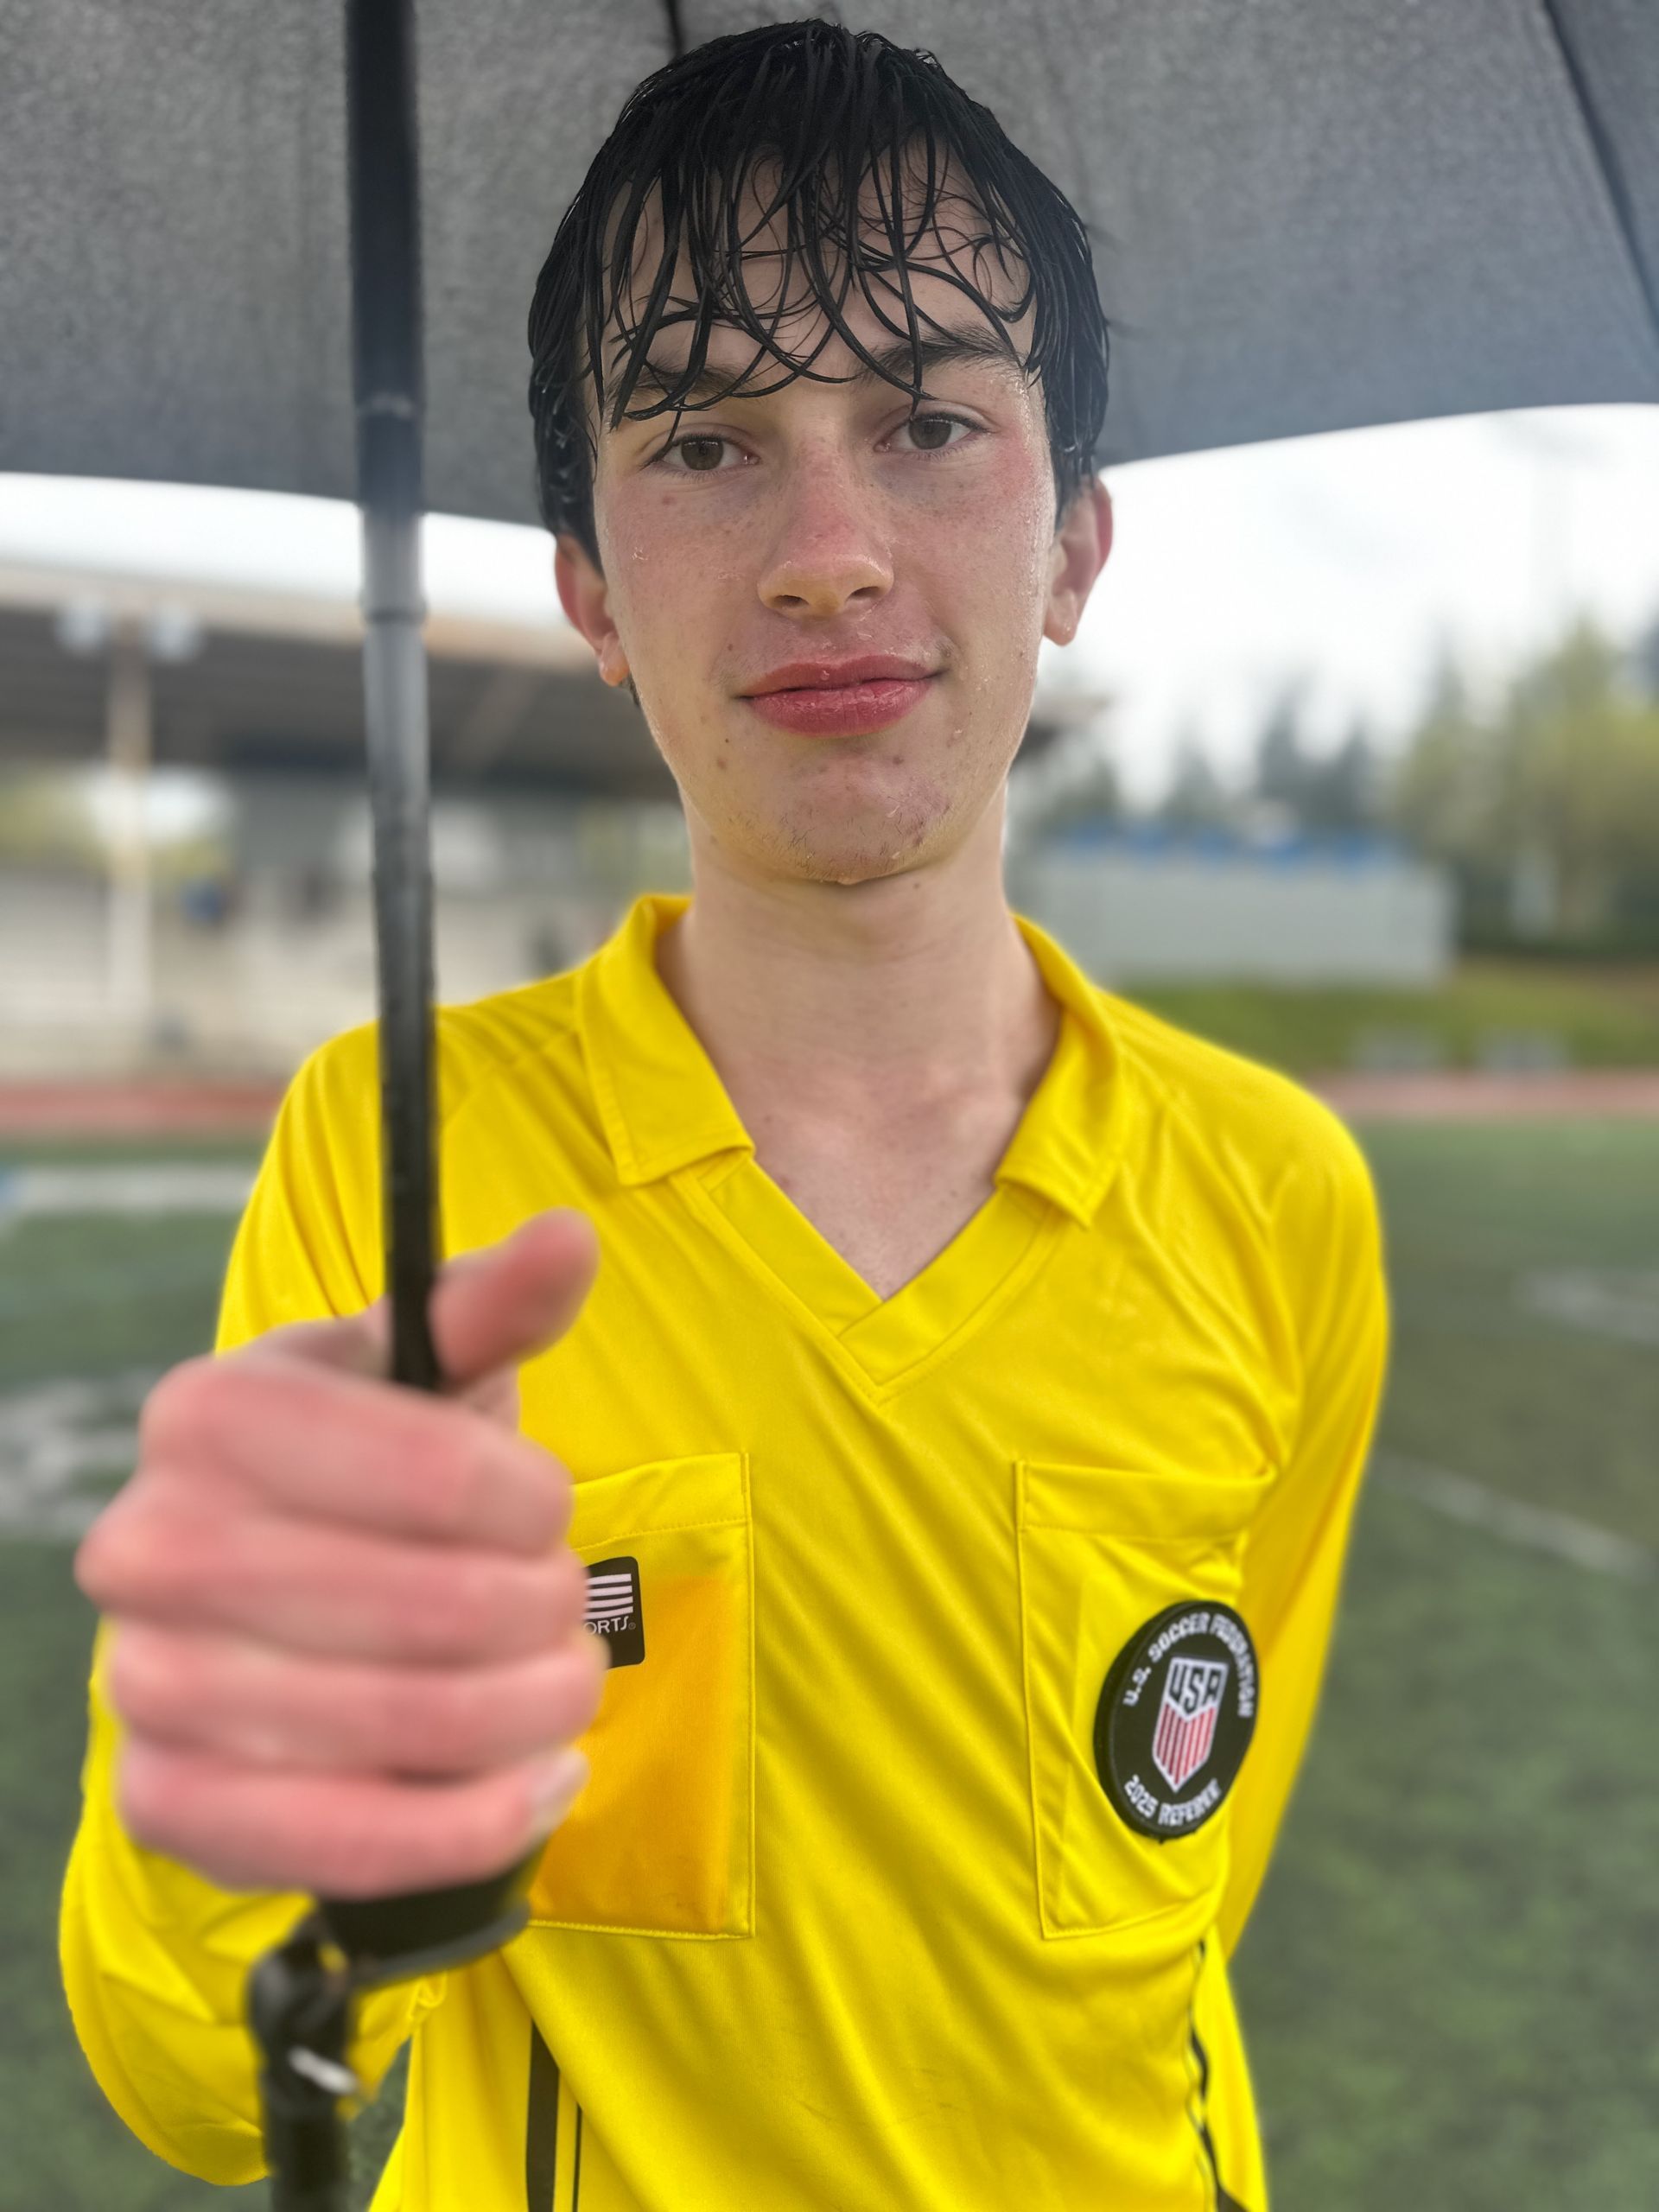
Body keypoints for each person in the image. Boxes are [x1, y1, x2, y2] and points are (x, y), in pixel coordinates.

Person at [61, 22, 1387, 2211]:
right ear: (587, 585)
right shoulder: (397, 1154)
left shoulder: (1274, 1193)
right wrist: (238, 1784)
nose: (828, 550)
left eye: (931, 421)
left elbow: (1189, 1868)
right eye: (700, 444)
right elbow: (219, 2081)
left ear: (1072, 543)